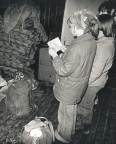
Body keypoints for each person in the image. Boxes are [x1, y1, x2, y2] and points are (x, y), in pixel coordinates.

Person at [48, 9, 100, 143]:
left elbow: (63, 70)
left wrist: (54, 56)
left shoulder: (77, 46)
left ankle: (63, 136)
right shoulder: (90, 41)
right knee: (71, 112)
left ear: (79, 26)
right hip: (78, 85)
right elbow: (78, 59)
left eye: (71, 26)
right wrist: (66, 51)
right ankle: (69, 131)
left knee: (65, 114)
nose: (70, 29)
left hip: (69, 87)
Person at [76, 14, 116, 134]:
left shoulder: (104, 46)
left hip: (93, 82)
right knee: (87, 103)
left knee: (85, 105)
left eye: (94, 27)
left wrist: (83, 83)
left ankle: (85, 125)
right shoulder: (106, 40)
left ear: (103, 28)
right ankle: (83, 121)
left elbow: (96, 71)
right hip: (96, 80)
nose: (92, 30)